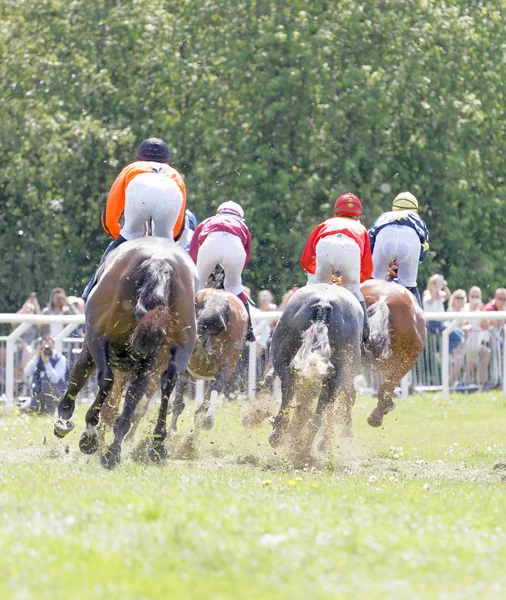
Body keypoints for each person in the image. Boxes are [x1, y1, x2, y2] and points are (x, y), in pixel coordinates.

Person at [82, 138, 187, 300]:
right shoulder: (175, 175)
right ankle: (191, 300)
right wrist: (169, 240)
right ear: (167, 160)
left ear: (139, 158)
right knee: (168, 245)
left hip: (139, 187)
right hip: (171, 191)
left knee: (129, 234)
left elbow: (111, 214)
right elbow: (179, 227)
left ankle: (89, 292)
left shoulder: (131, 168)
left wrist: (122, 238)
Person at [300, 193, 372, 341]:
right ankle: (365, 334)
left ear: (336, 212)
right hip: (351, 247)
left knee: (316, 288)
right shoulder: (361, 228)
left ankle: (301, 326)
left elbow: (308, 255)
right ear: (358, 216)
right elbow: (366, 264)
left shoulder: (326, 224)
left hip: (325, 245)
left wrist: (313, 273)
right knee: (354, 290)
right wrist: (358, 280)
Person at [189, 201, 255, 342]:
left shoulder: (209, 220)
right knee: (234, 287)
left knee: (198, 285)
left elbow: (194, 249)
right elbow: (247, 254)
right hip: (235, 250)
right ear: (239, 216)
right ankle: (249, 329)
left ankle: (186, 320)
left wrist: (193, 268)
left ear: (218, 212)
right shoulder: (243, 226)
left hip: (210, 247)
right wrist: (235, 275)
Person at [368, 191, 429, 306]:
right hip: (410, 240)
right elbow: (422, 254)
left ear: (394, 207)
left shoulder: (385, 216)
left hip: (385, 236)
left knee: (374, 281)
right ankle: (420, 320)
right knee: (410, 286)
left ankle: (365, 316)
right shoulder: (417, 219)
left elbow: (370, 241)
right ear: (415, 209)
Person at [21, 336, 67, 414]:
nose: (46, 350)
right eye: (44, 348)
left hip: (56, 395)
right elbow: (26, 372)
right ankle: (41, 411)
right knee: (23, 409)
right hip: (39, 394)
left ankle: (49, 411)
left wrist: (46, 363)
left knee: (46, 385)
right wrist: (36, 357)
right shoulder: (38, 358)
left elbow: (55, 379)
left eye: (49, 347)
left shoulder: (61, 359)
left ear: (54, 346)